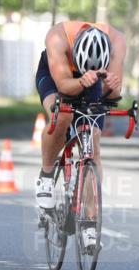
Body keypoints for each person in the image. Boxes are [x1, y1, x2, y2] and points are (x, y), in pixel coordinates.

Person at [34, 21, 127, 212]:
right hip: (57, 77)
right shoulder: (57, 37)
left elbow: (114, 95)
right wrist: (81, 82)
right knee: (61, 116)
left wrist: (110, 85)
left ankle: (91, 226)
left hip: (95, 81)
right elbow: (63, 86)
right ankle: (46, 175)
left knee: (93, 141)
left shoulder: (117, 41)